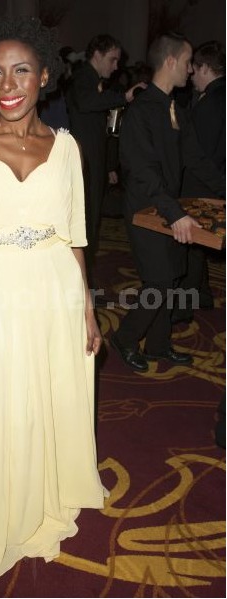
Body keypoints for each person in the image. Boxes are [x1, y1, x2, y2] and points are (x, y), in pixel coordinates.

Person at [0, 15, 107, 586]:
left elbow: (75, 236)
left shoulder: (66, 148)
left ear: (44, 77)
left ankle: (53, 489)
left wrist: (86, 308)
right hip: (3, 293)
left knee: (57, 391)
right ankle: (13, 507)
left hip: (57, 287)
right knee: (9, 403)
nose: (7, 86)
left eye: (21, 72)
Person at [111, 32, 225, 373]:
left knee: (171, 278)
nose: (191, 70)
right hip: (146, 211)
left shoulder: (174, 107)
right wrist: (174, 214)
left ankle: (159, 345)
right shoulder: (141, 112)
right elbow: (143, 173)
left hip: (168, 208)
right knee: (159, 282)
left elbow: (196, 159)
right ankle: (125, 338)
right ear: (171, 61)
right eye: (188, 62)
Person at [66, 34, 147, 267]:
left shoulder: (92, 78)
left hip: (93, 158)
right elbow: (86, 102)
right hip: (85, 159)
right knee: (86, 219)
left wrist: (109, 165)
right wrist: (124, 97)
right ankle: (82, 273)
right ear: (97, 55)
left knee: (91, 217)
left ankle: (85, 271)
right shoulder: (83, 76)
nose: (116, 66)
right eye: (112, 60)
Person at [173, 40, 226, 324]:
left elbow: (198, 154)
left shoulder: (210, 103)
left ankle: (184, 305)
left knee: (189, 248)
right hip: (215, 179)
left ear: (205, 68)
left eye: (195, 67)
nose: (191, 73)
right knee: (198, 245)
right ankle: (203, 294)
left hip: (201, 184)